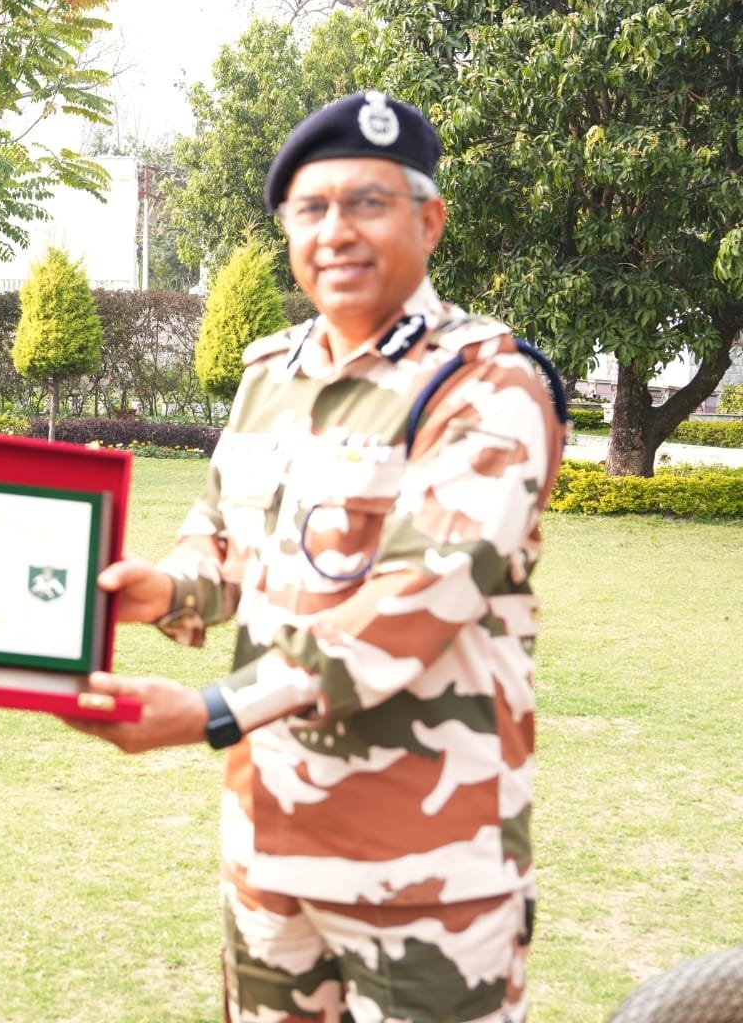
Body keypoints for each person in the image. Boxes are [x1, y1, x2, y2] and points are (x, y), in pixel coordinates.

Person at [71, 91, 565, 1023]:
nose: (336, 230)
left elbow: (416, 601)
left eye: (367, 203)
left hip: (425, 873)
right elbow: (224, 540)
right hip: (270, 848)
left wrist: (211, 711)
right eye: (311, 208)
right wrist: (165, 588)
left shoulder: (488, 387)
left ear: (429, 219)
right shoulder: (271, 375)